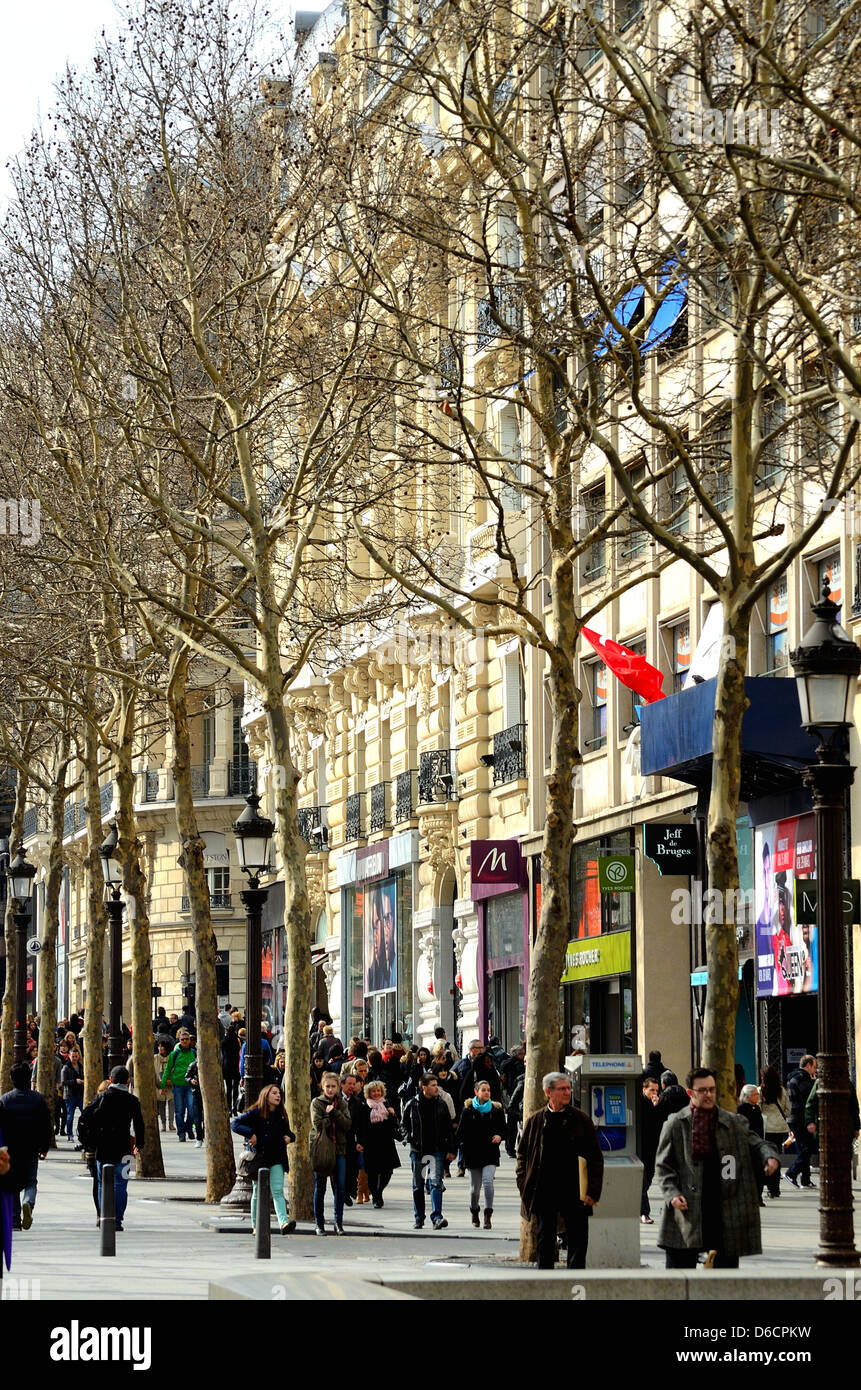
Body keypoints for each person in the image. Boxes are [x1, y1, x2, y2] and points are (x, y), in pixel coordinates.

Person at [655, 1066, 780, 1268]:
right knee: (678, 1280)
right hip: (686, 1213)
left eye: (712, 1090)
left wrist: (769, 1157)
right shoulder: (676, 1124)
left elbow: (758, 1144)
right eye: (702, 1090)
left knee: (724, 1281)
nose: (708, 1095)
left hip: (722, 1214)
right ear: (690, 1093)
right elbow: (663, 1166)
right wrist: (672, 1194)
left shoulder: (733, 1123)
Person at [516, 1071, 603, 1269]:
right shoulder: (536, 1121)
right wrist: (524, 1185)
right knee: (545, 1238)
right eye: (562, 1089)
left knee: (578, 1239)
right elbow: (522, 1156)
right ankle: (546, 1283)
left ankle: (574, 1282)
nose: (567, 1092)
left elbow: (596, 1158)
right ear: (549, 1092)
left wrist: (593, 1192)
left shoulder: (581, 1119)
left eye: (568, 1088)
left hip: (575, 1190)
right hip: (544, 1189)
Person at [82, 1065, 145, 1232]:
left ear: (110, 1080)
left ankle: (105, 1217)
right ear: (128, 1081)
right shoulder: (133, 1100)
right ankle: (117, 1220)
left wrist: (88, 1141)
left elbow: (85, 1117)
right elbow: (139, 1124)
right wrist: (139, 1144)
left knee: (103, 1183)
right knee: (122, 1184)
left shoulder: (102, 1097)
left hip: (103, 1147)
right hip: (125, 1148)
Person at [231, 1084, 297, 1235]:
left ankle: (283, 1222)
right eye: (274, 1093)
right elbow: (235, 1124)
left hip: (277, 1157)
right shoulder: (256, 1113)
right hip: (260, 1157)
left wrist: (289, 1137)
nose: (278, 1095)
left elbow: (289, 1132)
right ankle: (256, 1225)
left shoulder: (281, 1114)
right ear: (266, 1096)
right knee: (257, 1191)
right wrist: (251, 1134)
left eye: (279, 1093)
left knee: (278, 1191)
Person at [0, 1063, 53, 1232]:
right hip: (31, 1147)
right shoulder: (38, 1099)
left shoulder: (5, 1100)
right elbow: (46, 1125)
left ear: (12, 1079)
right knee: (31, 1181)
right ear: (29, 1077)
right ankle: (28, 1202)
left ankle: (15, 1221)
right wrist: (44, 1147)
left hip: (11, 1148)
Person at [402, 1073, 456, 1230]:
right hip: (418, 1150)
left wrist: (451, 1149)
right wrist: (408, 1136)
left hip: (436, 1150)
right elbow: (403, 1124)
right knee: (418, 1186)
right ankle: (419, 1217)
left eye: (437, 1085)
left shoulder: (441, 1104)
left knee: (435, 1184)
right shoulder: (412, 1104)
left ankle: (437, 1217)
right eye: (433, 1085)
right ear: (423, 1087)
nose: (436, 1088)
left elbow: (449, 1128)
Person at [456, 1079, 504, 1228]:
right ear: (476, 1092)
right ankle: (474, 1210)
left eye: (488, 1090)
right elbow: (460, 1133)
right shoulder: (468, 1110)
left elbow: (504, 1129)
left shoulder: (496, 1110)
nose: (487, 1093)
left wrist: (500, 1136)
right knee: (474, 1189)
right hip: (473, 1153)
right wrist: (454, 1150)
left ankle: (487, 1215)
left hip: (490, 1152)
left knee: (488, 1182)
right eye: (483, 1090)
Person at [310, 1072, 352, 1235]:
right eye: (327, 1086)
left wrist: (334, 1112)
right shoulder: (317, 1103)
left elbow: (347, 1124)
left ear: (338, 1087)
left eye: (333, 1086)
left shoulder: (341, 1103)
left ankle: (338, 1222)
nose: (330, 1089)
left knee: (340, 1187)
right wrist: (330, 1116)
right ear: (322, 1086)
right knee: (320, 1187)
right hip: (322, 1149)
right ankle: (319, 1224)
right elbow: (318, 1124)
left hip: (339, 1149)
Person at [355, 1079, 400, 1208]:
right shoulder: (364, 1106)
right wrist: (360, 1142)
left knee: (388, 1171)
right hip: (371, 1143)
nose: (376, 1093)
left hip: (386, 1142)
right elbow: (361, 1126)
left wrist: (392, 1114)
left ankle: (379, 1191)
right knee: (372, 1172)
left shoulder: (386, 1104)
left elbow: (394, 1125)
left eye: (378, 1091)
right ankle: (375, 1196)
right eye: (373, 1091)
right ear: (369, 1093)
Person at [758, 1065, 790, 1197]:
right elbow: (788, 1111)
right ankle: (775, 1189)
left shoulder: (760, 1091)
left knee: (765, 1158)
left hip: (766, 1129)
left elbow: (758, 1110)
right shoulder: (781, 1091)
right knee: (776, 1157)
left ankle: (767, 1185)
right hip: (779, 1129)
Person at [786, 1055, 817, 1188]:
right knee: (808, 1148)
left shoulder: (792, 1077)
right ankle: (791, 1173)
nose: (815, 1071)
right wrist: (813, 1083)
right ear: (808, 1065)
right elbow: (809, 1096)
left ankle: (805, 1179)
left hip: (794, 1117)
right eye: (814, 1067)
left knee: (804, 1147)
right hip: (801, 1117)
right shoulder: (802, 1077)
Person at [160, 1030, 197, 1141]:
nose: (184, 1041)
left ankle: (188, 1127)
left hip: (191, 1085)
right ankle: (181, 1133)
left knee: (192, 1110)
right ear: (179, 1041)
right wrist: (163, 1085)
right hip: (178, 1085)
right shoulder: (174, 1054)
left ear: (190, 1040)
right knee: (179, 1111)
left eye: (186, 1039)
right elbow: (167, 1070)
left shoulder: (194, 1053)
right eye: (182, 1039)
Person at [638, 1074, 661, 1224]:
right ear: (644, 1089)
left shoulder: (656, 1104)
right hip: (642, 1149)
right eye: (651, 1090)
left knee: (647, 1180)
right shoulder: (641, 1103)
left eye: (656, 1090)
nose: (654, 1093)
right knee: (643, 1182)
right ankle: (644, 1212)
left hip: (652, 1150)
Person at [62, 1047, 85, 1146]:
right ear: (69, 1056)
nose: (74, 1058)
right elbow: (63, 1082)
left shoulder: (81, 1066)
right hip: (70, 1095)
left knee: (85, 1113)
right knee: (70, 1116)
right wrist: (75, 1081)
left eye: (76, 1056)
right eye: (73, 1056)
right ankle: (70, 1134)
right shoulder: (66, 1067)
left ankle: (83, 1133)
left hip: (80, 1094)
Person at [155, 1042, 175, 1132]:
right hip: (159, 1085)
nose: (160, 1048)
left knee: (171, 1104)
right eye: (159, 1046)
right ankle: (163, 1124)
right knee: (161, 1105)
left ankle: (171, 1123)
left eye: (162, 1046)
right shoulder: (155, 1058)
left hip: (171, 1085)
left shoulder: (171, 1057)